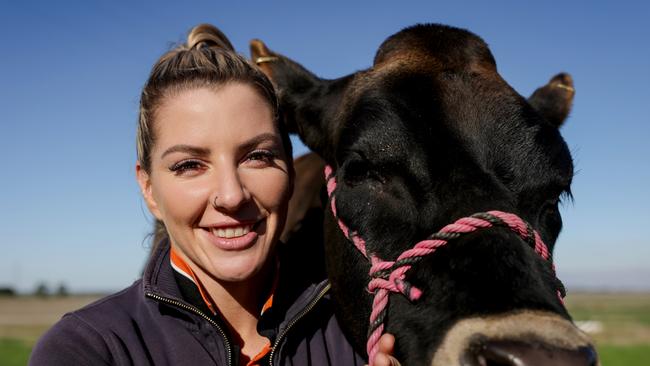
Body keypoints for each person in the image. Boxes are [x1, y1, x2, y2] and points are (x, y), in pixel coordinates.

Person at [29, 24, 399, 366]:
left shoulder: (363, 339)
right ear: (149, 189)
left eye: (257, 157)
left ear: (289, 167)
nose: (231, 195)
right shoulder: (90, 350)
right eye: (189, 165)